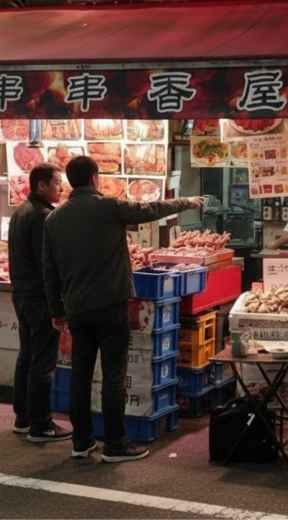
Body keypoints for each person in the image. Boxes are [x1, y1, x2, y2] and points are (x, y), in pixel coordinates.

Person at [43, 156, 204, 463]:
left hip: (76, 308)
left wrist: (56, 311)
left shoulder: (54, 219)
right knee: (114, 374)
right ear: (93, 178)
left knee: (81, 374)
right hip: (111, 305)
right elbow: (150, 210)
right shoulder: (108, 207)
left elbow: (48, 270)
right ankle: (115, 444)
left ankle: (81, 442)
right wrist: (188, 202)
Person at [8, 163, 72, 443]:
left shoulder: (21, 212)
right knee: (42, 362)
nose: (61, 188)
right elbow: (48, 264)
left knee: (27, 356)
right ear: (42, 185)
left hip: (21, 294)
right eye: (57, 182)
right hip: (39, 298)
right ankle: (41, 424)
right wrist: (57, 304)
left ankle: (22, 417)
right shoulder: (44, 217)